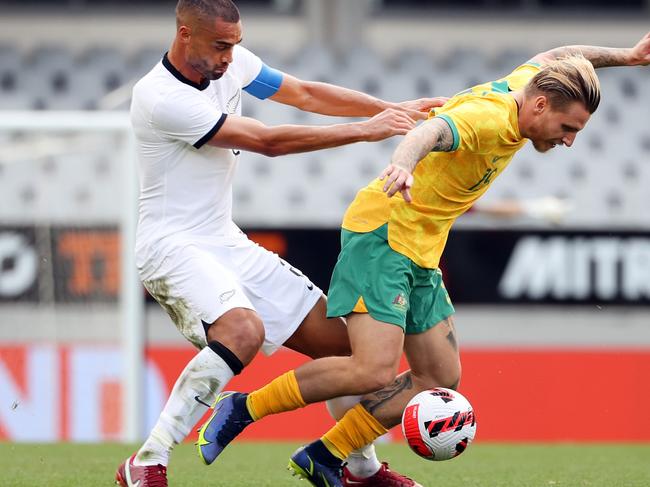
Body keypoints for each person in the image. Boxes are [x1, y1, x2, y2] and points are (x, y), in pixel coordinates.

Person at [197, 32, 650, 487]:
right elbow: (429, 131)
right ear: (539, 107)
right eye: (567, 128)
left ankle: (327, 455)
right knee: (372, 369)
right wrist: (403, 164)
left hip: (421, 249)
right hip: (383, 234)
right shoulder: (487, 119)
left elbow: (560, 54)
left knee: (439, 377)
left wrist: (627, 57)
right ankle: (243, 407)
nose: (569, 140)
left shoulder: (529, 84)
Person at [114, 1, 447, 486]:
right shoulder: (160, 97)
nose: (231, 56)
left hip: (224, 240)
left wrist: (388, 110)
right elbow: (267, 141)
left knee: (352, 351)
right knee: (242, 330)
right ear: (185, 34)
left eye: (236, 44)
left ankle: (359, 469)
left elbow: (306, 93)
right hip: (171, 245)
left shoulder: (233, 63)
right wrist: (365, 131)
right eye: (220, 45)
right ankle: (147, 459)